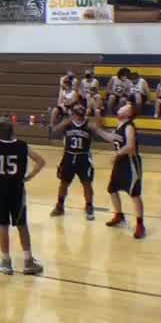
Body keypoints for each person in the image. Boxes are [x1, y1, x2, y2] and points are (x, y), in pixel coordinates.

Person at [0, 119, 47, 276]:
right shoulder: (22, 145)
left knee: (3, 224)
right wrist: (29, 176)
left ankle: (6, 261)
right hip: (17, 188)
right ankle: (28, 261)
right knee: (22, 224)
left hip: (0, 188)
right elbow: (41, 161)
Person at [50, 104, 103, 220]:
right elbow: (54, 130)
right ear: (72, 114)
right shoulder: (67, 123)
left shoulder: (88, 125)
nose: (79, 117)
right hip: (68, 156)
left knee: (87, 183)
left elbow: (99, 130)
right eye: (77, 114)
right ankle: (60, 206)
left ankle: (89, 206)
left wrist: (98, 113)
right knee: (64, 183)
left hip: (83, 157)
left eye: (81, 115)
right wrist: (55, 115)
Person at [106, 102, 146, 239]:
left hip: (130, 162)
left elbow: (130, 146)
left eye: (126, 106)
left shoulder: (129, 126)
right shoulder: (119, 125)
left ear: (129, 114)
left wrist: (116, 155)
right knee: (112, 189)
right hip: (121, 162)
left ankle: (140, 225)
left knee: (134, 194)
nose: (122, 106)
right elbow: (113, 138)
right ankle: (119, 215)